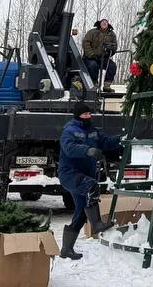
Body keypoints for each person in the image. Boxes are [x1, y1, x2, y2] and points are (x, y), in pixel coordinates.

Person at [57, 103, 122, 260]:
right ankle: (97, 223)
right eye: (85, 114)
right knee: (91, 186)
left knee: (80, 213)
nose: (88, 117)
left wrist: (120, 140)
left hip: (85, 175)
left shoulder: (93, 131)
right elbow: (69, 149)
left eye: (89, 114)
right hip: (70, 174)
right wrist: (87, 150)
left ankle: (66, 249)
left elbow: (105, 141)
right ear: (78, 115)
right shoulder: (69, 131)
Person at [81, 18, 118, 86]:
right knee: (93, 65)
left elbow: (114, 46)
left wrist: (111, 51)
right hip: (91, 57)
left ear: (108, 24)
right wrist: (91, 55)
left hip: (104, 58)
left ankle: (107, 85)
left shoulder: (112, 35)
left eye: (106, 22)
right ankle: (94, 83)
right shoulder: (92, 32)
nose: (104, 23)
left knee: (112, 66)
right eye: (103, 22)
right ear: (99, 24)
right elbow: (85, 43)